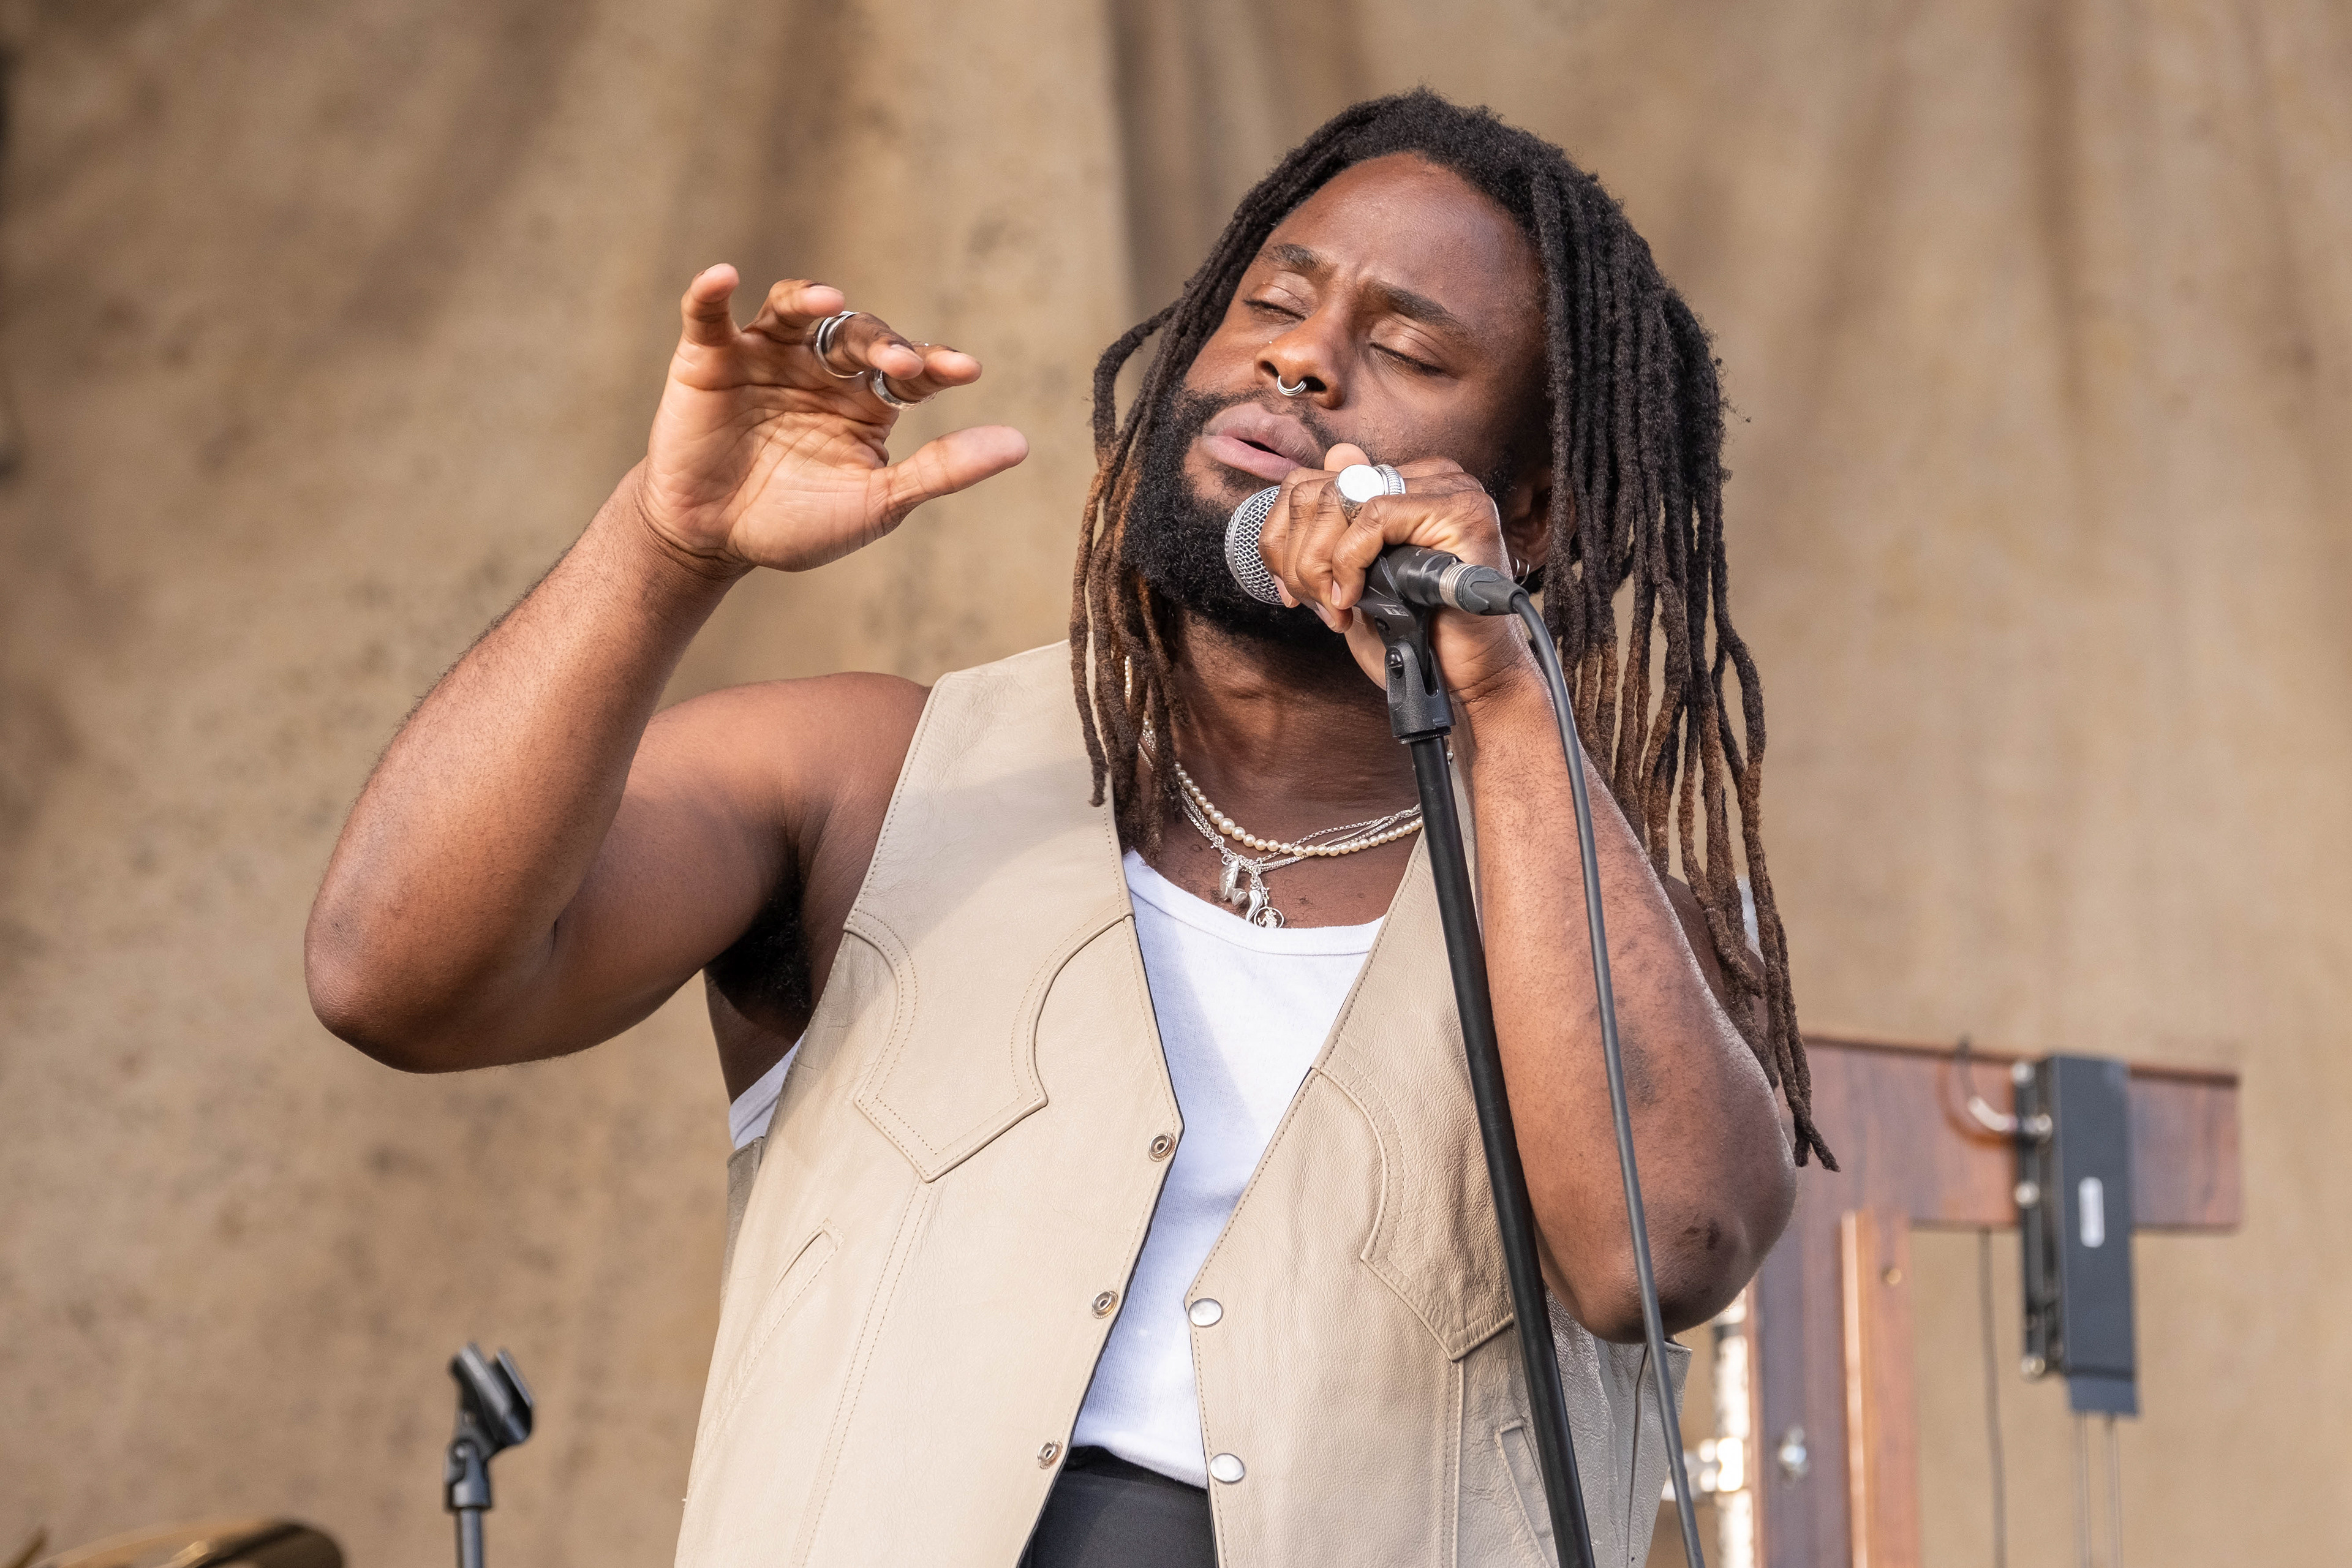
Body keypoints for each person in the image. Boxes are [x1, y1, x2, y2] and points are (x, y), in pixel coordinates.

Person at [307, 90, 1825, 1568]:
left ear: (1536, 510)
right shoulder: (866, 778)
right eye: (1271, 303)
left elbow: (1662, 1250)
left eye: (1409, 349)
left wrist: (1504, 692)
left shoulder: (1618, 914)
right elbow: (393, 976)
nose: (1301, 358)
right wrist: (665, 542)